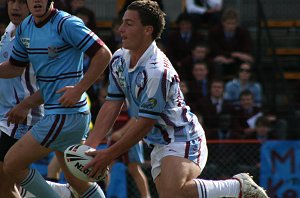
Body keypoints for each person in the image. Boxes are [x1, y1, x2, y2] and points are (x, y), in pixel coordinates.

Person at [84, 1, 268, 198]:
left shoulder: (156, 71)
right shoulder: (119, 59)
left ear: (147, 30)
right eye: (122, 23)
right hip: (157, 142)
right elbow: (112, 103)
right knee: (172, 195)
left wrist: (108, 154)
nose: (121, 29)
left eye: (129, 24)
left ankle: (238, 187)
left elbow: (145, 123)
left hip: (183, 136)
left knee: (172, 192)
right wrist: (90, 147)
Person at [0, 0, 112, 197]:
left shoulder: (66, 23)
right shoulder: (26, 26)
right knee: (76, 180)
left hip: (64, 115)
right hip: (59, 113)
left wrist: (79, 88)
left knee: (12, 164)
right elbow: (15, 67)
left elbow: (103, 53)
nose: (36, 1)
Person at [208, 8, 254, 79]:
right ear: (223, 23)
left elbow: (247, 48)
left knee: (247, 62)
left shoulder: (243, 32)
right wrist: (231, 55)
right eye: (228, 23)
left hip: (237, 59)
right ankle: (218, 86)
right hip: (221, 58)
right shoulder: (214, 32)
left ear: (237, 23)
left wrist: (237, 56)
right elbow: (214, 50)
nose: (231, 26)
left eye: (233, 23)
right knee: (216, 63)